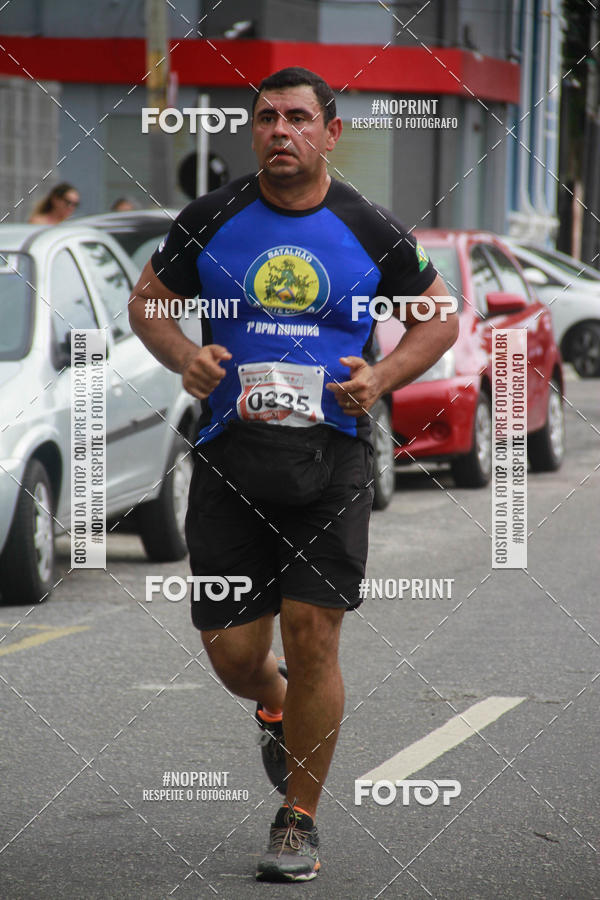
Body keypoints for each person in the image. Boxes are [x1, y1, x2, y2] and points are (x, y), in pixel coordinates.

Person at [128, 66, 458, 883]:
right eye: (268, 118)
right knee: (235, 654)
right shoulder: (211, 217)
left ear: (330, 132)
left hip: (333, 457)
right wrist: (184, 358)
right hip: (229, 459)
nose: (282, 131)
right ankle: (272, 704)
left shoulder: (369, 226)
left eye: (299, 118)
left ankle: (297, 820)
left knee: (315, 636)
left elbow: (439, 315)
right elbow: (147, 301)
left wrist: (382, 380)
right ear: (254, 131)